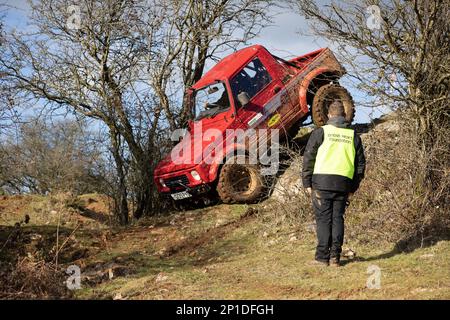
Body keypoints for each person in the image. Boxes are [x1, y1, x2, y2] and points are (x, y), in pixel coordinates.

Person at [302, 100, 366, 267]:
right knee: (338, 219)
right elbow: (360, 165)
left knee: (324, 220)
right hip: (343, 183)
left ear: (329, 115)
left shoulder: (320, 132)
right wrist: (353, 187)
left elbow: (309, 158)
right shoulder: (353, 136)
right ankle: (335, 257)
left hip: (321, 183)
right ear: (344, 116)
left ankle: (322, 258)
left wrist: (306, 182)